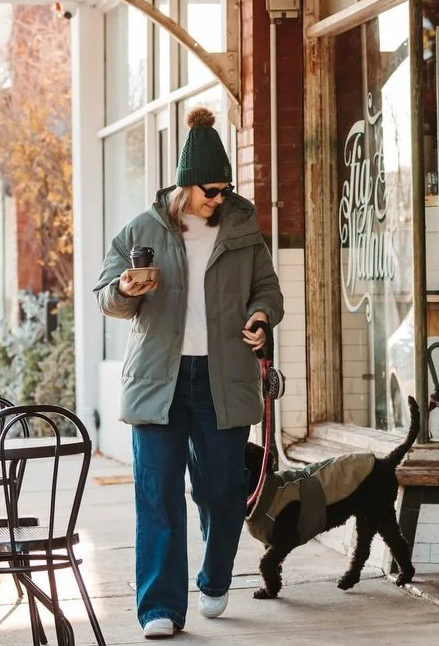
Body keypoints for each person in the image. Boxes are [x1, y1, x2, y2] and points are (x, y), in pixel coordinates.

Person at [94, 106, 284, 639]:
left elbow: (268, 290)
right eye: (211, 190)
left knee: (223, 492)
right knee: (156, 493)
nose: (219, 199)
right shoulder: (142, 227)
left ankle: (215, 575)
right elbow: (106, 294)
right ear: (186, 186)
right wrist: (126, 291)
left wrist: (261, 316)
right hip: (159, 378)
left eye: (224, 190)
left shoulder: (243, 229)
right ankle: (159, 607)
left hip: (222, 378)